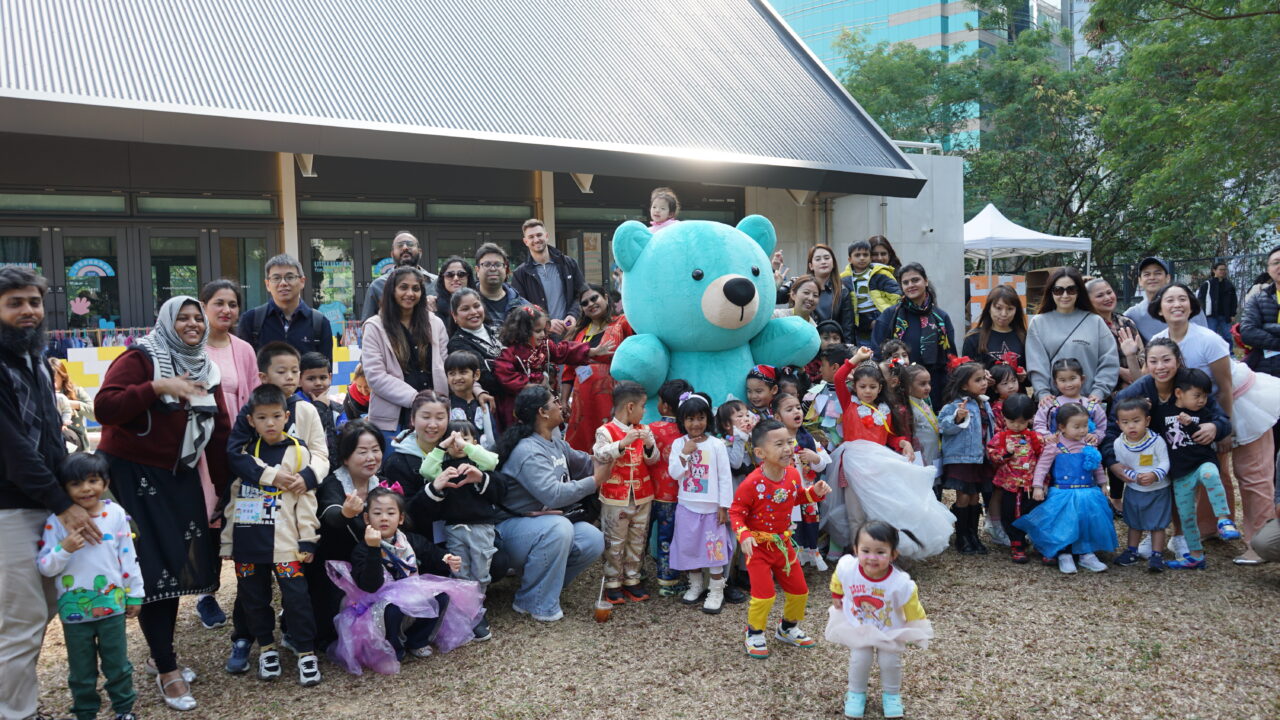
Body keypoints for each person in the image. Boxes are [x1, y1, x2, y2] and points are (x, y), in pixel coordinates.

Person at [94, 295, 232, 711]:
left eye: (196, 318)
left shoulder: (206, 367)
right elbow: (105, 407)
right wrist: (157, 387)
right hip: (131, 475)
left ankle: (160, 654)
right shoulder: (141, 357)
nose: (192, 324)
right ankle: (167, 668)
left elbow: (219, 431)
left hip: (177, 474)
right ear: (166, 322)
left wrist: (223, 489)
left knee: (175, 563)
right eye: (182, 318)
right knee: (152, 569)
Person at [0, 268, 90, 720]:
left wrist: (77, 491)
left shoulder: (34, 359)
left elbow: (52, 440)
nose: (28, 311)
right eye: (14, 303)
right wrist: (65, 505)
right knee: (22, 619)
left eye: (34, 302)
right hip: (9, 509)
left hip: (44, 504)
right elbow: (13, 449)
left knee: (44, 607)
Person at [1149, 281, 1275, 564]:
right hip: (1201, 411)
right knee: (1209, 468)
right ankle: (1208, 527)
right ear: (1159, 308)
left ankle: (1259, 543)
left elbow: (1225, 387)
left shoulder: (1208, 339)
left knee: (1252, 474)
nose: (1177, 304)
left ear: (1192, 305)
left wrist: (1223, 428)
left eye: (1183, 298)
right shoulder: (1158, 340)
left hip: (1240, 403)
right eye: (1170, 300)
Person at [220, 384, 322, 686]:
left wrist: (308, 539)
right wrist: (228, 541)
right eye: (262, 418)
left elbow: (306, 500)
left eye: (276, 416)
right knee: (253, 599)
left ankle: (306, 653)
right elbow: (233, 499)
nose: (270, 423)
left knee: (297, 599)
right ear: (251, 421)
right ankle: (266, 648)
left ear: (287, 417)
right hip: (248, 544)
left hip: (286, 544)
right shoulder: (245, 455)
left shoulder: (299, 452)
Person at [1100, 339, 1232, 562]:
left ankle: (1179, 535)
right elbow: (1111, 431)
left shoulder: (1191, 385)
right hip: (1148, 454)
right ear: (1146, 364)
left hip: (1184, 455)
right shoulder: (1135, 393)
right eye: (1153, 361)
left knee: (1183, 493)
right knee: (1149, 492)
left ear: (1178, 361)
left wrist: (1215, 427)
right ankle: (1152, 533)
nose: (1160, 367)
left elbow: (1221, 419)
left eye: (1166, 360)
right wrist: (1113, 463)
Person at [36, 453, 141, 720]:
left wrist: (135, 594)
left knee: (117, 663)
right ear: (64, 488)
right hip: (74, 613)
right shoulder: (56, 521)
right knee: (81, 670)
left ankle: (124, 708)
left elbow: (128, 557)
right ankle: (85, 712)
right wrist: (64, 549)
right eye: (76, 483)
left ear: (106, 483)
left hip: (112, 607)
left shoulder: (116, 514)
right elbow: (46, 567)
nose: (85, 489)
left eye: (93, 480)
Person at [332, 488, 481, 673]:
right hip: (378, 600)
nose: (384, 518)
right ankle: (394, 647)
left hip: (411, 589)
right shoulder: (362, 549)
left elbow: (429, 552)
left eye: (390, 513)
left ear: (401, 518)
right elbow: (371, 585)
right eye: (377, 513)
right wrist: (373, 549)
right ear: (366, 519)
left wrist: (446, 558)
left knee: (441, 596)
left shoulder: (408, 540)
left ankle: (418, 640)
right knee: (392, 610)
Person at [495, 386, 606, 622]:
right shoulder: (528, 451)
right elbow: (553, 495)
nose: (560, 405)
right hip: (509, 532)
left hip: (540, 527)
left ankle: (542, 587)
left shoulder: (555, 442)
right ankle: (533, 602)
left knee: (592, 539)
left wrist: (615, 450)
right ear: (542, 412)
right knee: (559, 527)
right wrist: (594, 482)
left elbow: (587, 463)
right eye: (555, 401)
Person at [730, 419, 831, 659]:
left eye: (789, 442)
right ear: (760, 453)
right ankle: (754, 632)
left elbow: (796, 497)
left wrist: (814, 493)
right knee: (764, 594)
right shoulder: (752, 483)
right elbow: (736, 512)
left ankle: (787, 628)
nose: (787, 449)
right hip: (758, 548)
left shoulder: (793, 474)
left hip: (784, 545)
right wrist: (744, 535)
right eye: (779, 444)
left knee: (800, 591)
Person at [195, 279, 260, 630]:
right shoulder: (191, 348)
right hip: (202, 451)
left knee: (240, 516)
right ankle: (205, 592)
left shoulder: (244, 349)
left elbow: (253, 398)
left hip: (237, 446)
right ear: (203, 306)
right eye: (218, 303)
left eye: (232, 304)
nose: (226, 310)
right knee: (207, 516)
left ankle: (246, 586)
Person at [826, 521, 932, 720]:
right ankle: (856, 693)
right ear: (856, 550)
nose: (872, 558)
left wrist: (917, 625)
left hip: (889, 628)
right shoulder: (848, 567)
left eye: (881, 552)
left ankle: (891, 695)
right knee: (860, 658)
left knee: (890, 661)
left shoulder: (900, 583)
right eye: (865, 551)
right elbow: (838, 577)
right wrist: (836, 593)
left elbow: (912, 606)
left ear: (893, 554)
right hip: (860, 624)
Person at [410, 418, 502, 641]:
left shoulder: (478, 462)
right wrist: (442, 447)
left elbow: (493, 461)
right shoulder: (444, 467)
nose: (457, 444)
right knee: (460, 571)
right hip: (453, 528)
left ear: (475, 441)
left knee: (480, 571)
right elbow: (426, 470)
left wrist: (468, 447)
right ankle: (466, 612)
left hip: (481, 526)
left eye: (464, 438)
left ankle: (477, 608)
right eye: (452, 440)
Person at [1151, 369, 1243, 570]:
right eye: (1197, 395)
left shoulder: (1205, 413)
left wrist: (1195, 424)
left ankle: (1224, 520)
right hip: (1180, 473)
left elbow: (1216, 426)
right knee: (1186, 516)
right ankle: (1195, 555)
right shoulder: (1162, 412)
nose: (1202, 400)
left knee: (1211, 475)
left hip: (1202, 462)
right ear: (1179, 393)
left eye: (1205, 396)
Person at [1013, 404, 1117, 574]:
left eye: (1085, 425)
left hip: (1088, 491)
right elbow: (1042, 467)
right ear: (1062, 427)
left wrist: (1102, 483)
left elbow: (1097, 465)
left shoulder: (1089, 444)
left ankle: (1086, 553)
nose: (1082, 430)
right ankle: (1064, 553)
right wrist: (1037, 486)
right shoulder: (1055, 446)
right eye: (1076, 427)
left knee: (1087, 520)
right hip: (1063, 492)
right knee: (1064, 522)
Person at [313, 420, 386, 655]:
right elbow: (330, 515)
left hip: (372, 560)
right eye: (362, 452)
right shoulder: (333, 483)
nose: (371, 458)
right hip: (333, 568)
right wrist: (345, 513)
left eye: (375, 450)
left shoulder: (381, 483)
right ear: (345, 457)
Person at [362, 267, 451, 440]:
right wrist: (417, 399)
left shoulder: (435, 323)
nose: (410, 293)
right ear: (392, 290)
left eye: (415, 288)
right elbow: (375, 376)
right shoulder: (374, 327)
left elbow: (447, 366)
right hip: (394, 421)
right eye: (403, 287)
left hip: (434, 418)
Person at [667, 392, 734, 613]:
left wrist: (724, 506)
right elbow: (674, 473)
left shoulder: (717, 445)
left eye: (700, 418)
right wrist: (684, 454)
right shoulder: (678, 444)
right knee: (689, 548)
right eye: (690, 419)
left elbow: (725, 477)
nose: (696, 424)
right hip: (687, 506)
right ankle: (696, 585)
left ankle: (716, 591)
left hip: (712, 509)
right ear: (682, 420)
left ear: (708, 419)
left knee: (715, 551)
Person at [592, 382, 659, 603]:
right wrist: (622, 443)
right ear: (630, 407)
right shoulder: (605, 431)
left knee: (638, 538)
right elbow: (600, 454)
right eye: (642, 406)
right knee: (614, 540)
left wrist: (649, 445)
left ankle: (632, 579)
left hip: (642, 494)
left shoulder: (644, 430)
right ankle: (613, 581)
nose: (644, 411)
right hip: (615, 495)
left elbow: (653, 460)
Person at [493, 305, 609, 427]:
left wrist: (590, 351)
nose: (543, 334)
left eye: (544, 330)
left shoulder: (544, 345)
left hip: (543, 400)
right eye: (538, 331)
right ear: (523, 331)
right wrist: (532, 386)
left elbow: (562, 351)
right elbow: (504, 375)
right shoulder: (509, 353)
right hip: (518, 406)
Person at [1025, 267, 1119, 406]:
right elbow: (1036, 364)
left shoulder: (1095, 321)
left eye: (1071, 289)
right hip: (1053, 404)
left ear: (1079, 291)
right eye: (1058, 290)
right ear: (1051, 292)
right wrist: (1043, 394)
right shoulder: (1038, 323)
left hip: (1090, 403)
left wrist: (1098, 392)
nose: (1065, 295)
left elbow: (1109, 361)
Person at [871, 263, 956, 408]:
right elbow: (877, 354)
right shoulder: (890, 316)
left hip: (934, 389)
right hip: (899, 388)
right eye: (905, 282)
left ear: (926, 281)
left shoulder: (941, 318)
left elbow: (951, 357)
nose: (910, 285)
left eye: (915, 280)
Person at [564, 284, 635, 452]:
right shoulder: (578, 333)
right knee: (583, 449)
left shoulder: (622, 322)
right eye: (585, 303)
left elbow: (635, 356)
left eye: (594, 298)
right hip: (582, 400)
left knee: (613, 442)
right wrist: (563, 401)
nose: (590, 304)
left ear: (606, 297)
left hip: (612, 395)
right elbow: (568, 372)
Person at [939, 363, 998, 555]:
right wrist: (957, 418)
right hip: (962, 457)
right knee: (963, 495)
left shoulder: (985, 403)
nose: (984, 383)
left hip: (980, 457)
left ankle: (973, 535)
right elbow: (943, 427)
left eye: (984, 379)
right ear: (964, 385)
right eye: (978, 380)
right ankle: (962, 536)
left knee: (974, 495)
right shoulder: (955, 405)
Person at [1109, 397, 1173, 573]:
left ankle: (1157, 554)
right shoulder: (1119, 443)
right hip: (1134, 489)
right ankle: (1132, 551)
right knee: (1134, 522)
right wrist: (1134, 477)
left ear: (1147, 420)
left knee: (1157, 524)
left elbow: (1165, 462)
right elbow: (1122, 466)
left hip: (1158, 489)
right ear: (1118, 424)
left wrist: (1154, 474)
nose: (1131, 426)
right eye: (1125, 422)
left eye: (1136, 421)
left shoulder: (1156, 441)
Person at [237, 254, 333, 363]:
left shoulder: (320, 323)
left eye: (290, 277)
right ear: (267, 284)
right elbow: (243, 367)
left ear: (302, 281)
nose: (283, 283)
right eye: (276, 278)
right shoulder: (251, 320)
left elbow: (325, 370)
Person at [773, 392, 830, 569]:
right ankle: (789, 562)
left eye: (798, 407)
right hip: (784, 492)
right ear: (777, 417)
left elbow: (822, 464)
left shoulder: (807, 438)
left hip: (806, 491)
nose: (796, 411)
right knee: (789, 526)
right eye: (789, 409)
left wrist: (815, 458)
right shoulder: (774, 441)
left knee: (808, 524)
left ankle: (804, 557)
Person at [986, 395, 1043, 564]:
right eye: (1012, 422)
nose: (1016, 426)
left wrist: (1043, 482)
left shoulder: (1035, 438)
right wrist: (1006, 453)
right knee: (1010, 513)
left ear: (1030, 419)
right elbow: (993, 457)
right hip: (1009, 485)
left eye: (1022, 422)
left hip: (1030, 485)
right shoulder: (1000, 438)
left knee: (1032, 512)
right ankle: (1016, 543)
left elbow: (1043, 460)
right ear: (1004, 418)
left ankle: (1037, 542)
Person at [650, 379, 694, 597]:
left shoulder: (651, 429)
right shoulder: (688, 434)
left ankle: (633, 575)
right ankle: (667, 580)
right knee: (668, 538)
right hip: (675, 495)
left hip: (649, 492)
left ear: (665, 406)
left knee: (640, 536)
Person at [511, 218, 587, 340]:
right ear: (525, 241)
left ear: (546, 236)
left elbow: (582, 294)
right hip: (540, 338)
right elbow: (520, 308)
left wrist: (573, 315)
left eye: (539, 235)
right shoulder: (520, 274)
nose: (536, 239)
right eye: (531, 237)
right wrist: (546, 323)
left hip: (571, 334)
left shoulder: (568, 264)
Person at [1122, 256, 1207, 341]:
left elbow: (1204, 339)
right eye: (1147, 274)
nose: (1152, 277)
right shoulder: (1132, 315)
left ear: (1168, 278)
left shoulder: (1186, 307)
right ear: (1140, 281)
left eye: (1158, 273)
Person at [447, 288, 506, 406]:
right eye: (465, 309)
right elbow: (485, 378)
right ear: (454, 315)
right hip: (491, 403)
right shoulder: (458, 343)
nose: (473, 312)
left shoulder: (499, 331)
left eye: (476, 306)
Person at [361, 231, 438, 321]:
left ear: (420, 252)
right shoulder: (378, 285)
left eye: (410, 244)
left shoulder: (437, 282)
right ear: (392, 254)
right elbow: (367, 323)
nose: (405, 248)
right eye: (399, 245)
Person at [1085, 278, 1144, 392]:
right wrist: (1120, 371)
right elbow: (1088, 361)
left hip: (1135, 385)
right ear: (1088, 300)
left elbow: (1142, 354)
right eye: (1100, 295)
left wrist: (1135, 371)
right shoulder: (1086, 326)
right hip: (1101, 390)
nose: (1107, 298)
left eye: (1109, 292)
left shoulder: (1126, 322)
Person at [842, 240, 902, 345]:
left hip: (878, 313)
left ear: (870, 258)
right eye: (857, 255)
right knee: (865, 347)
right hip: (858, 319)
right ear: (849, 259)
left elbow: (896, 295)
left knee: (884, 346)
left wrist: (888, 316)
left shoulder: (880, 272)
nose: (862, 258)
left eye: (865, 255)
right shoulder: (844, 278)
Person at [1032, 359, 1108, 441]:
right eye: (1062, 380)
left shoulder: (1092, 405)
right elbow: (1039, 424)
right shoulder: (1050, 405)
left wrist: (1095, 436)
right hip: (1055, 447)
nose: (1068, 384)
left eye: (1072, 378)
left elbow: (1101, 427)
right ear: (1055, 383)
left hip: (1085, 447)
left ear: (1082, 379)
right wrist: (1047, 437)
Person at [962, 285, 1027, 374]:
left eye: (1010, 309)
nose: (1004, 314)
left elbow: (1031, 374)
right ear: (989, 308)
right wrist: (981, 377)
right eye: (998, 308)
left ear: (1016, 310)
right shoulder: (973, 338)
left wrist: (1023, 377)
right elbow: (965, 375)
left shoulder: (1024, 337)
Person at [445, 351, 497, 450]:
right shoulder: (447, 406)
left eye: (463, 372)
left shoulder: (483, 405)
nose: (457, 377)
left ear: (476, 375)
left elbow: (493, 435)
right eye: (452, 373)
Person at [804, 245, 854, 343]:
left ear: (833, 263)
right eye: (818, 259)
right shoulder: (799, 286)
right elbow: (778, 296)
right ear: (811, 266)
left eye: (827, 258)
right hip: (807, 343)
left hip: (832, 345)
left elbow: (848, 328)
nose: (823, 262)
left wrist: (847, 349)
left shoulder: (842, 291)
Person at [299, 351, 343, 459]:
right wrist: (320, 407)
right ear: (299, 380)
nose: (318, 383)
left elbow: (344, 439)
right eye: (311, 378)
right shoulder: (295, 406)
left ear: (330, 377)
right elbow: (306, 437)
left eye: (323, 378)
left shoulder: (337, 409)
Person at [473, 242, 529, 328]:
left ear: (505, 269)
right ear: (477, 270)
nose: (493, 269)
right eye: (487, 264)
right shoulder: (466, 304)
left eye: (498, 264)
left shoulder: (522, 306)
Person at [49, 357, 94, 451]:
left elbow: (95, 415)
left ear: (62, 376)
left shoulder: (76, 391)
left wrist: (75, 405)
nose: (50, 382)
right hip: (50, 434)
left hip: (73, 437)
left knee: (65, 436)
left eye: (53, 378)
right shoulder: (42, 392)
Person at [1197, 261, 1238, 345]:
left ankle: (1229, 352)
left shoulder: (1229, 285)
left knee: (1227, 336)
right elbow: (1200, 300)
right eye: (1220, 269)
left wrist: (1233, 314)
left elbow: (1234, 300)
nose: (1223, 271)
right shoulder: (1207, 284)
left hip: (1225, 315)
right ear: (1214, 270)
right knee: (1211, 336)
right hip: (1211, 315)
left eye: (1224, 269)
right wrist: (1202, 313)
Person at [434, 256, 478, 333]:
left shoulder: (479, 304)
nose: (456, 278)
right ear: (442, 279)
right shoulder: (433, 307)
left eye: (461, 274)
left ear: (468, 278)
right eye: (450, 275)